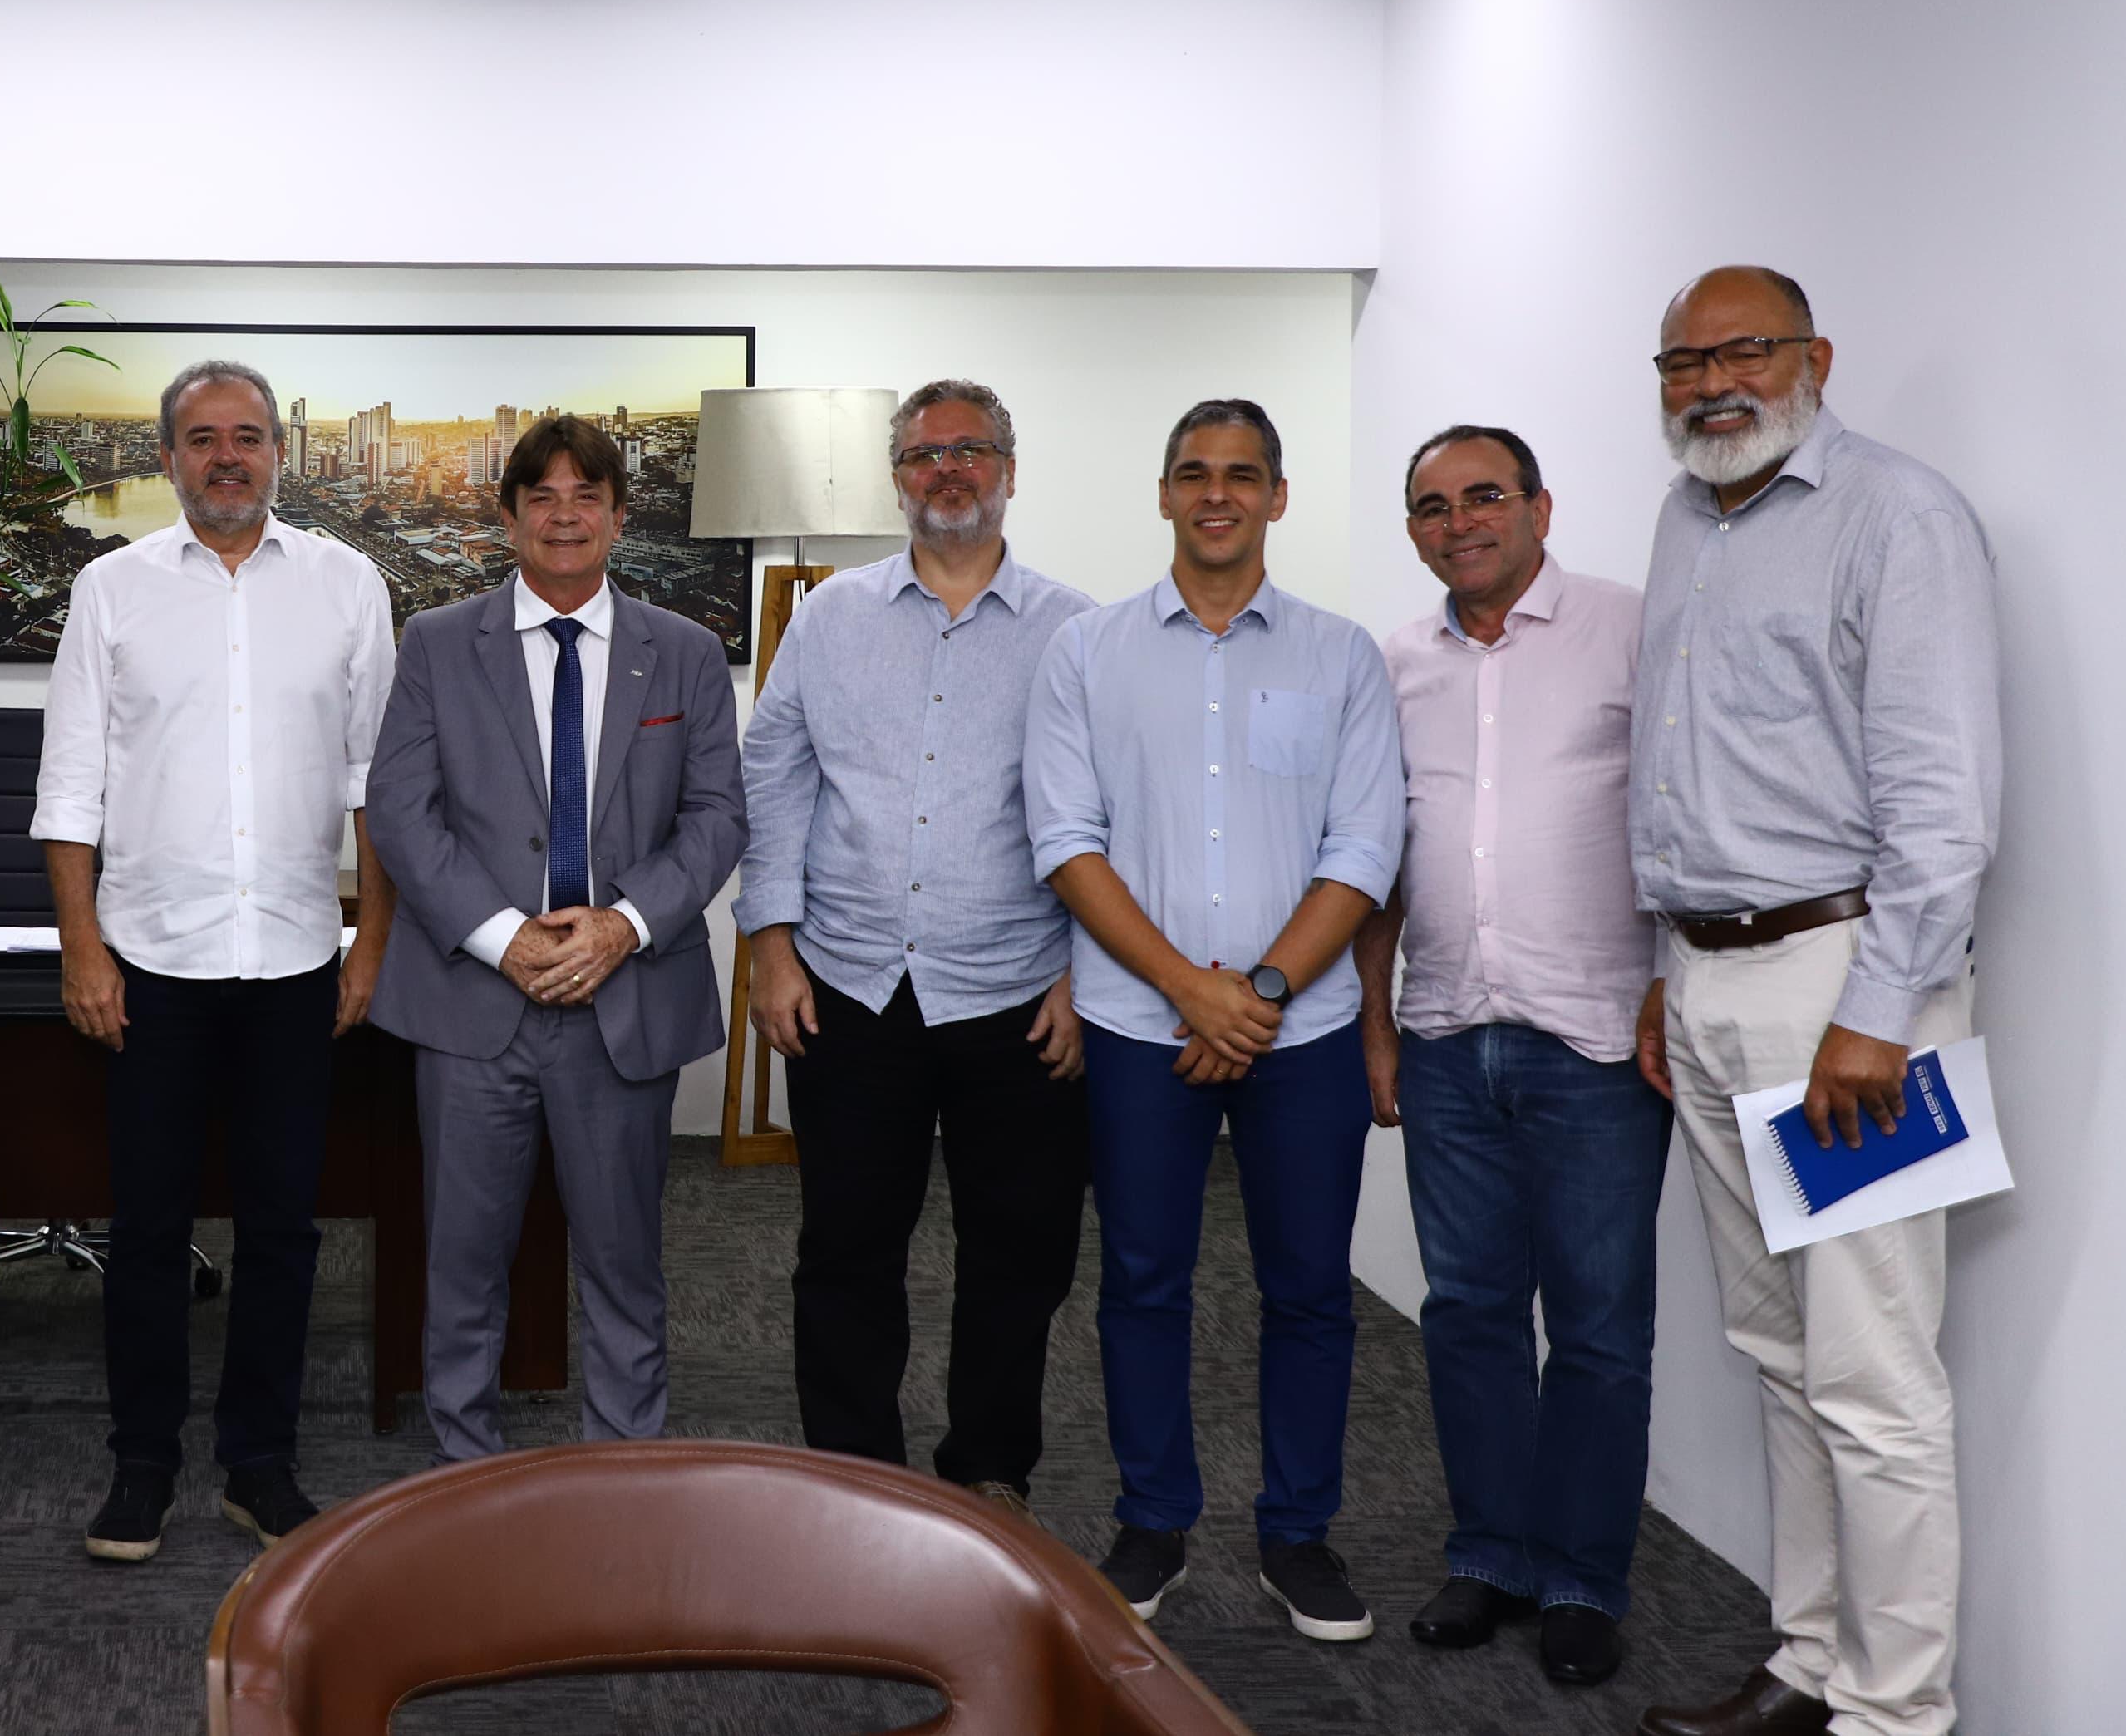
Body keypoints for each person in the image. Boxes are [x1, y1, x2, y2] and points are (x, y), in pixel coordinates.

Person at [1628, 268, 1998, 1736]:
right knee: (1782, 1356)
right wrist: (1667, 970)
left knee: (1876, 1378)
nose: (1713, 381)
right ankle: (1811, 1664)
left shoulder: (1899, 516)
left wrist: (1880, 1013)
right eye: (1683, 360)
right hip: (1710, 982)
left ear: (1814, 357)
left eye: (1746, 350)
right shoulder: (1686, 515)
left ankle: (1899, 1714)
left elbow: (1944, 802)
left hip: (1847, 997)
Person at [1026, 396, 1403, 1641]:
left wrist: (1262, 994)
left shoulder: (1341, 656)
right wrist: (1193, 990)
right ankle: (1152, 1520)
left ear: (1277, 496)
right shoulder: (1087, 651)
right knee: (1143, 1281)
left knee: (1309, 1290)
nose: (1216, 494)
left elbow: (1364, 846)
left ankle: (1298, 1534)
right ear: (1163, 493)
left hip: (1305, 1031)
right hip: (1141, 1025)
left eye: (1243, 474)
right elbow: (1065, 839)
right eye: (1193, 472)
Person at [33, 360, 396, 1562]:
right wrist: (82, 947)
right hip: (152, 961)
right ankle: (141, 1464)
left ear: (280, 452)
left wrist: (370, 942)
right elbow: (70, 787)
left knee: (284, 1229)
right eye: (202, 438)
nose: (226, 457)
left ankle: (259, 1463)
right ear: (169, 457)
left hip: (294, 956)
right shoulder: (111, 588)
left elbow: (375, 787)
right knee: (146, 1229)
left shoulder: (347, 585)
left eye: (247, 436)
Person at [732, 378, 1095, 1512]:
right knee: (845, 1246)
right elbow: (774, 778)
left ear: (1009, 470)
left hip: (1019, 991)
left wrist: (1087, 973)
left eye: (970, 450)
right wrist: (771, 947)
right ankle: (854, 1476)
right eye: (925, 455)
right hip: (849, 986)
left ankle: (988, 1469)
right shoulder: (828, 618)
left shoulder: (1078, 631)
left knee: (1019, 1251)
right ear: (896, 478)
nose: (948, 471)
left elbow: (1118, 813)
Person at [367, 415, 746, 1463]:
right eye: (542, 497)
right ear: (509, 518)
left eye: (587, 497)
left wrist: (621, 926)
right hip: (473, 1003)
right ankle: (465, 1472)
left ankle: (622, 1472)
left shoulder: (684, 652)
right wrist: (503, 939)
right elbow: (400, 811)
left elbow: (717, 816)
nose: (565, 516)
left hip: (622, 998)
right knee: (462, 1260)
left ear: (619, 517)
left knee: (623, 1262)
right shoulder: (438, 642)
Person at [1352, 424, 1663, 1689]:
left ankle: (1582, 1576)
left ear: (1541, 505)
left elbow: (1684, 815)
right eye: (1432, 505)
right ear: (1412, 530)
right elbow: (1376, 858)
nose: (1459, 521)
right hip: (1443, 1035)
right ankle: (1489, 1554)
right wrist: (1375, 1018)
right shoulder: (1394, 664)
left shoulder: (1629, 628)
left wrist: (1675, 983)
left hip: (1596, 1038)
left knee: (1598, 1327)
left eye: (1484, 495)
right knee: (1469, 1315)